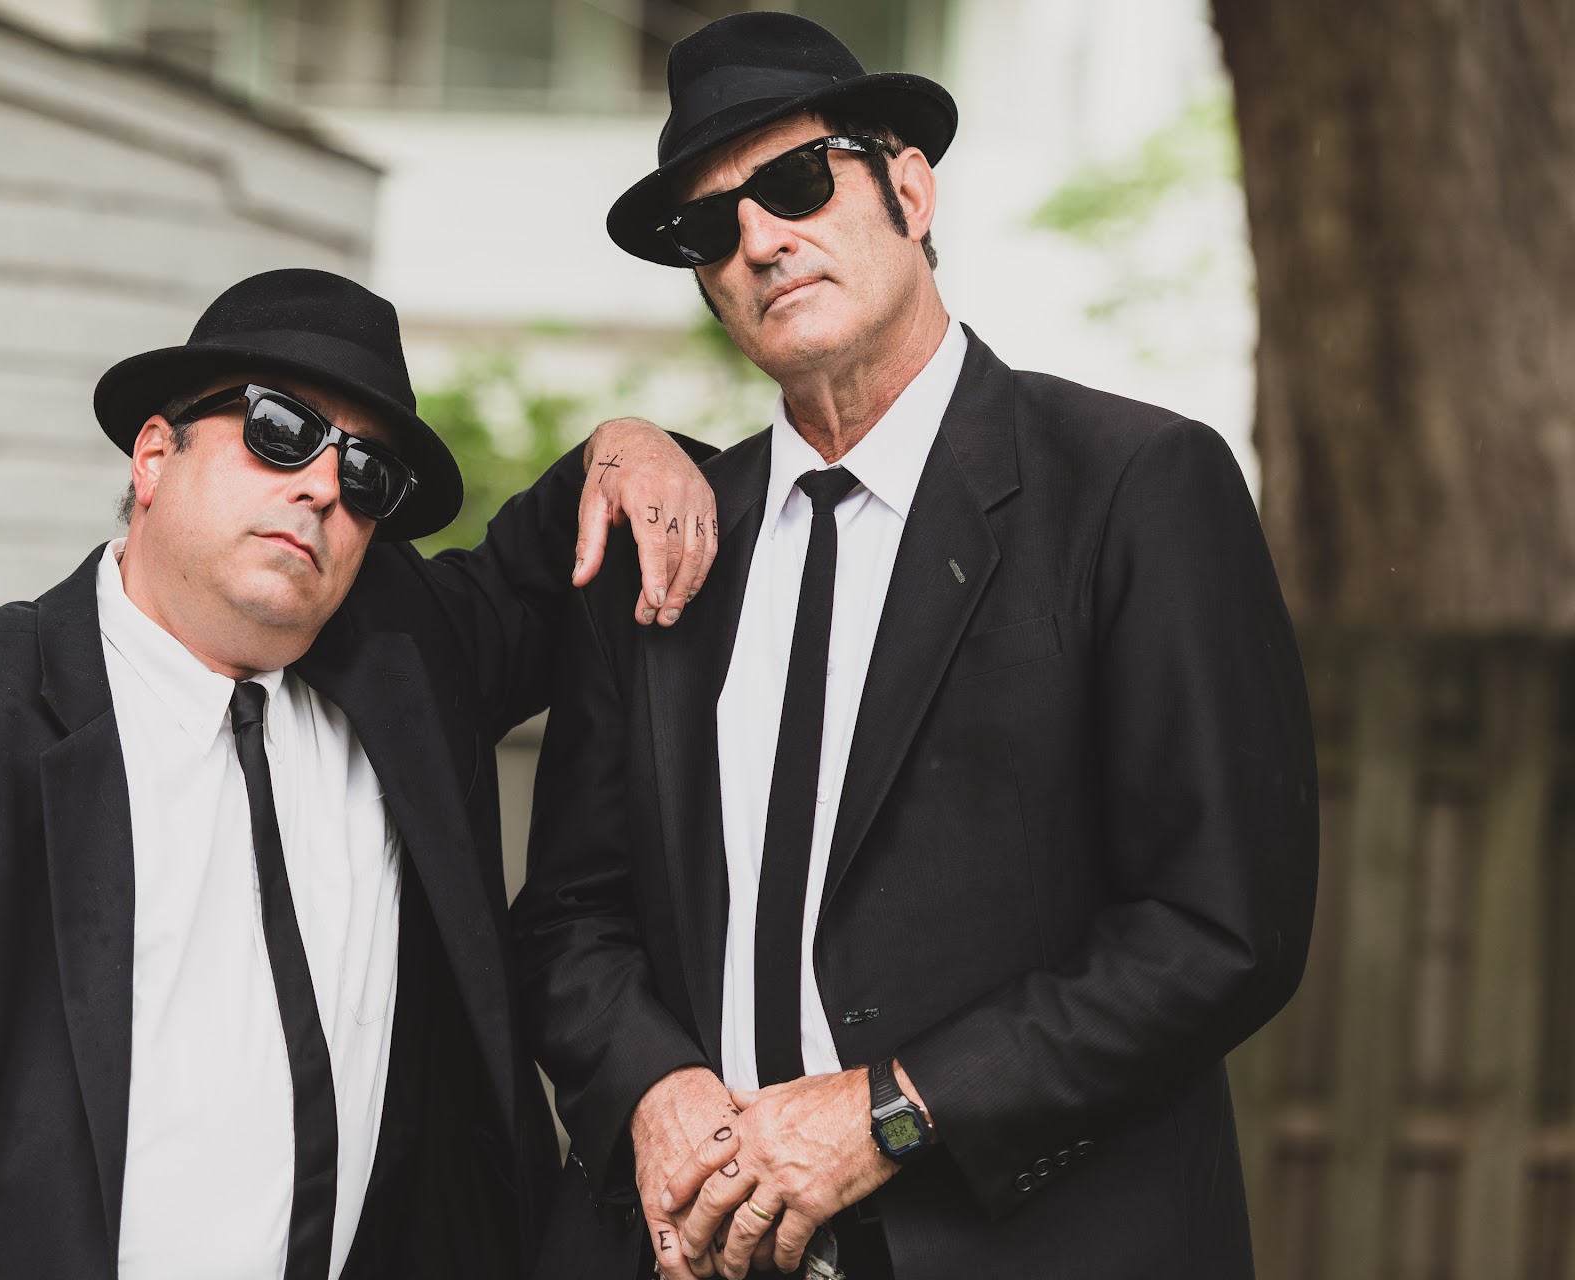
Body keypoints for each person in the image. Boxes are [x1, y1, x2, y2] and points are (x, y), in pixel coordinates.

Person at [513, 14, 1319, 1280]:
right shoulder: (668, 540)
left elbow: (1220, 926)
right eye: (710, 227)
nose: (760, 240)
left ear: (909, 187)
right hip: (700, 1252)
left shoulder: (1135, 486)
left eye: (796, 182)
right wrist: (653, 1086)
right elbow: (571, 915)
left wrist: (894, 1108)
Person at [0, 268, 716, 1280]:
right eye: (280, 429)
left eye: (368, 474)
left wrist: (626, 441)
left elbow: (554, 560)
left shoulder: (409, 674)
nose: (323, 484)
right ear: (155, 454)